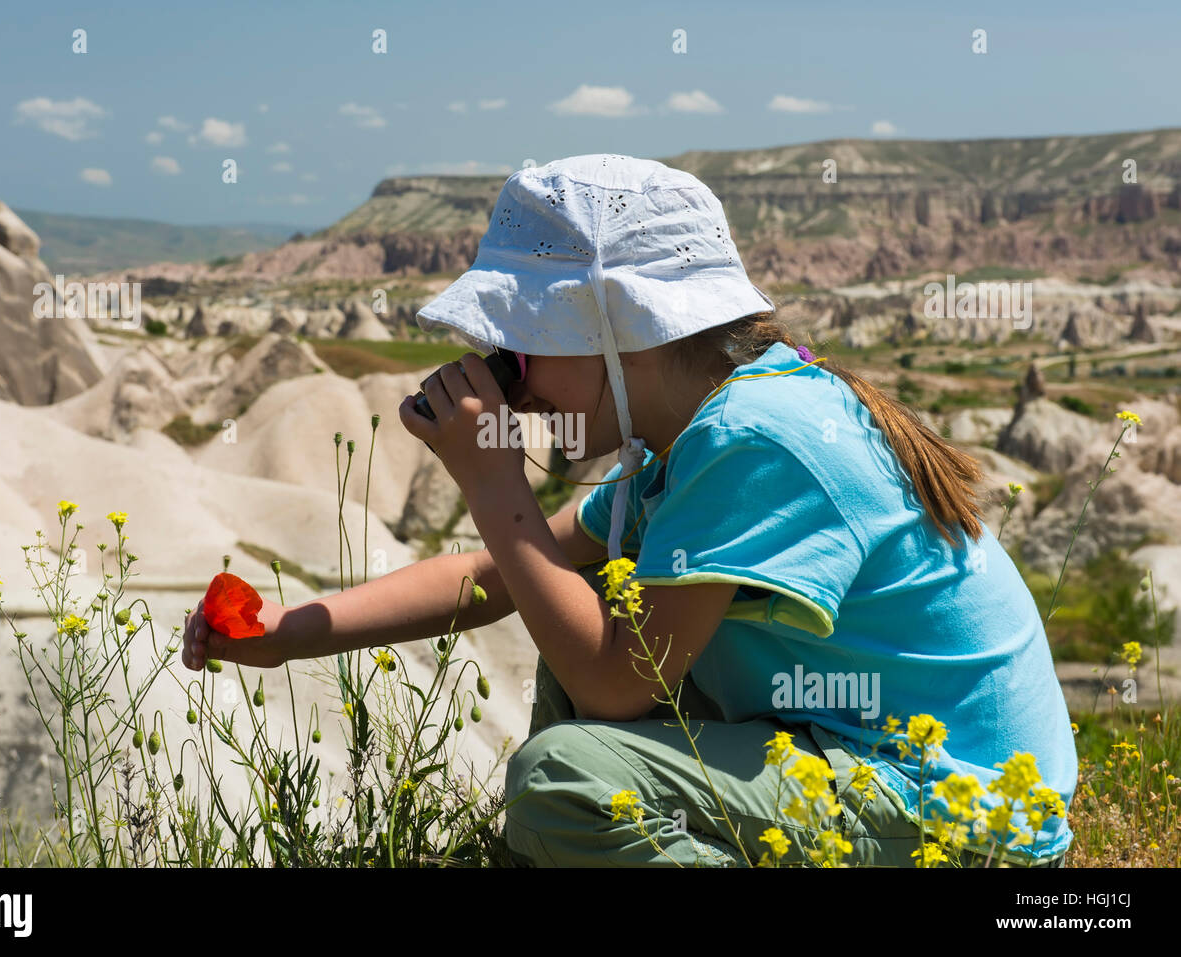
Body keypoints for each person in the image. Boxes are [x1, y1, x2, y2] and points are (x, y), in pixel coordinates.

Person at [180, 154, 1077, 868]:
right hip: (880, 763)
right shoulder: (686, 442)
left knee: (563, 777)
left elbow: (620, 676)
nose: (513, 387)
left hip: (964, 816)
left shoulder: (754, 437)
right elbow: (490, 580)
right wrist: (282, 633)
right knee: (570, 628)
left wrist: (495, 482)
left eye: (519, 350)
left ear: (620, 334)